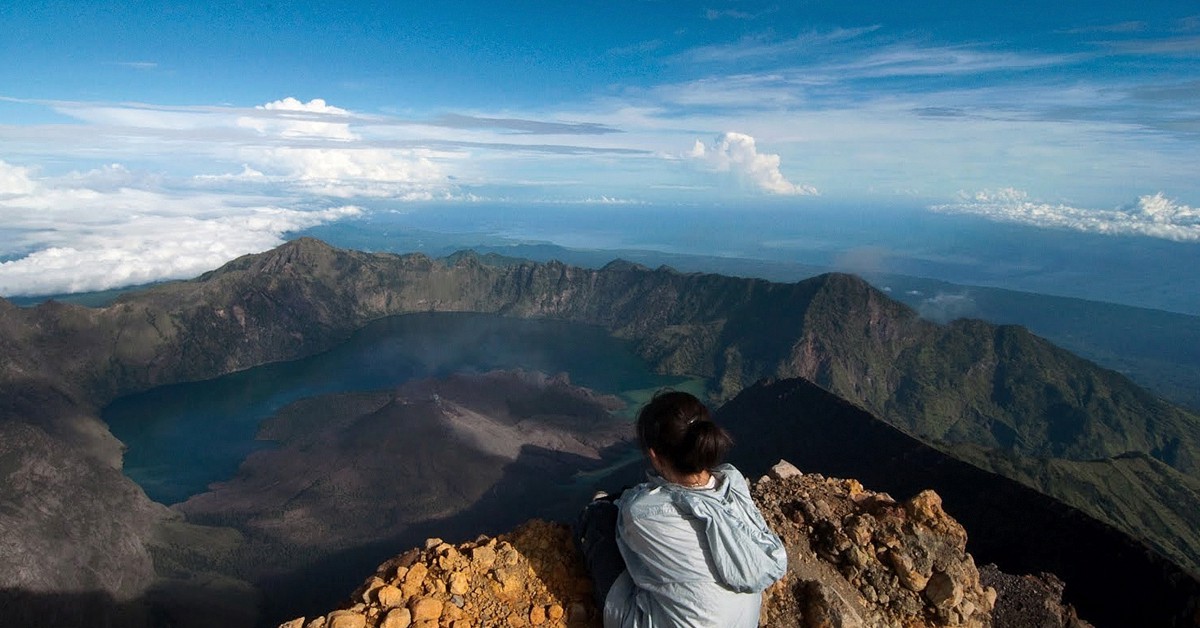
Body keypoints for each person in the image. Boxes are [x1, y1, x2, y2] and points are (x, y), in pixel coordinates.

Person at [576, 390, 787, 628]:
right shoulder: (733, 482)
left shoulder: (642, 512)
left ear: (654, 456)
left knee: (599, 517)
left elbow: (629, 523)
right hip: (743, 622)